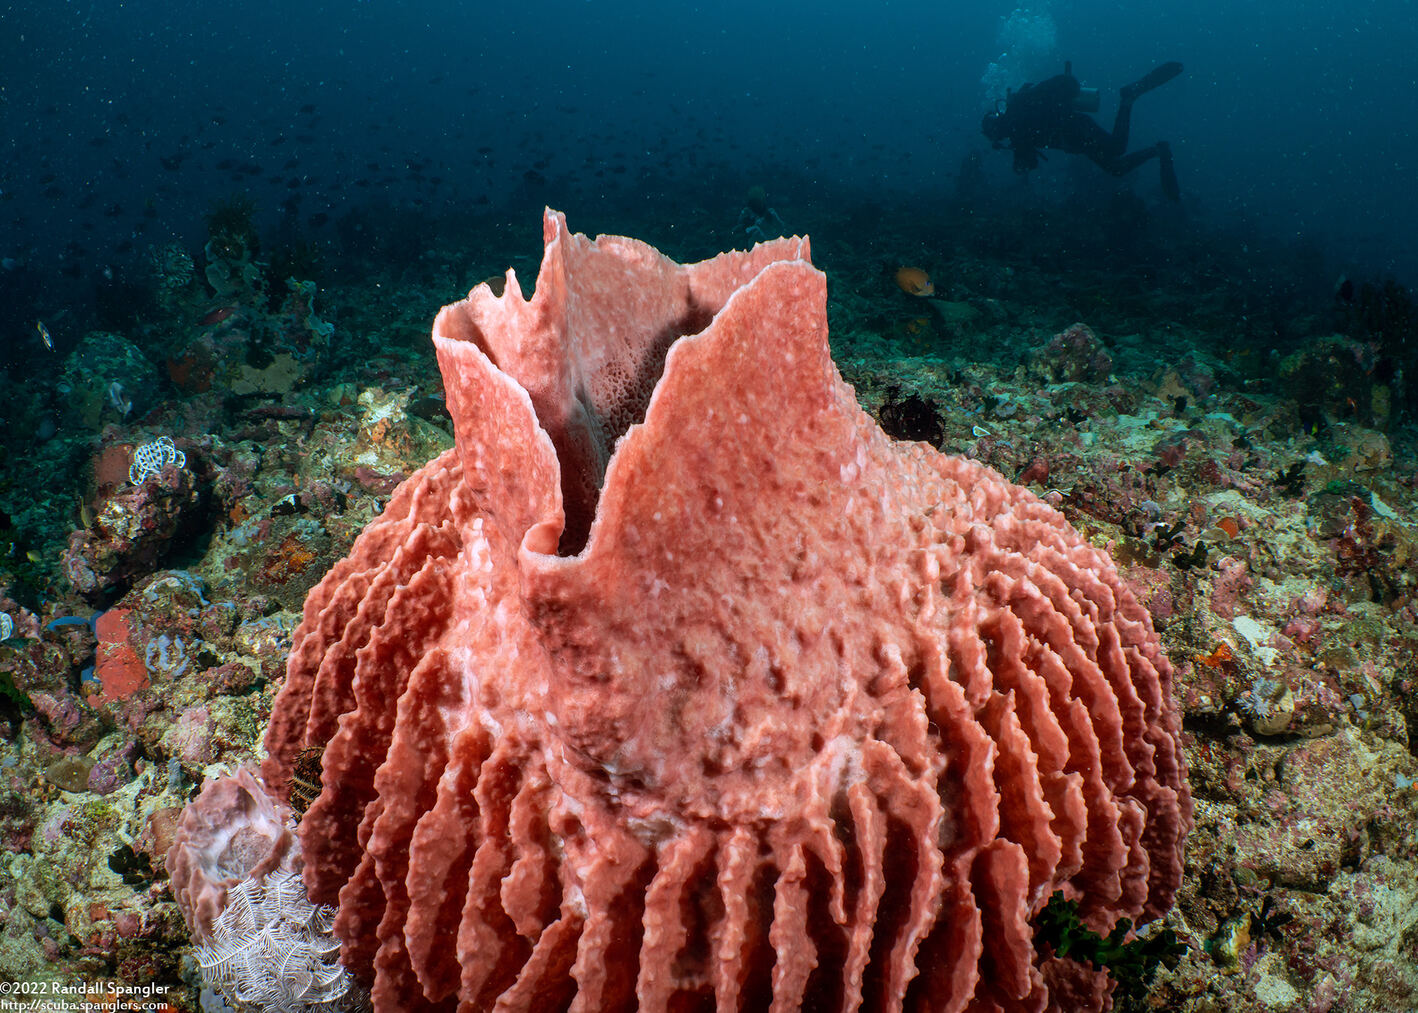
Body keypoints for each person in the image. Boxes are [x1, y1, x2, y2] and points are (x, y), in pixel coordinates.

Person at [981, 60, 1183, 199]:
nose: (997, 139)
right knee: (1116, 168)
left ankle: (1128, 99)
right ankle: (1158, 150)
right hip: (1075, 137)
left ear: (996, 129)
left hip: (1075, 129)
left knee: (1117, 148)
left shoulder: (1016, 127)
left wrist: (1019, 157)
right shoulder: (1017, 118)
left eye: (994, 135)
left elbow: (1028, 163)